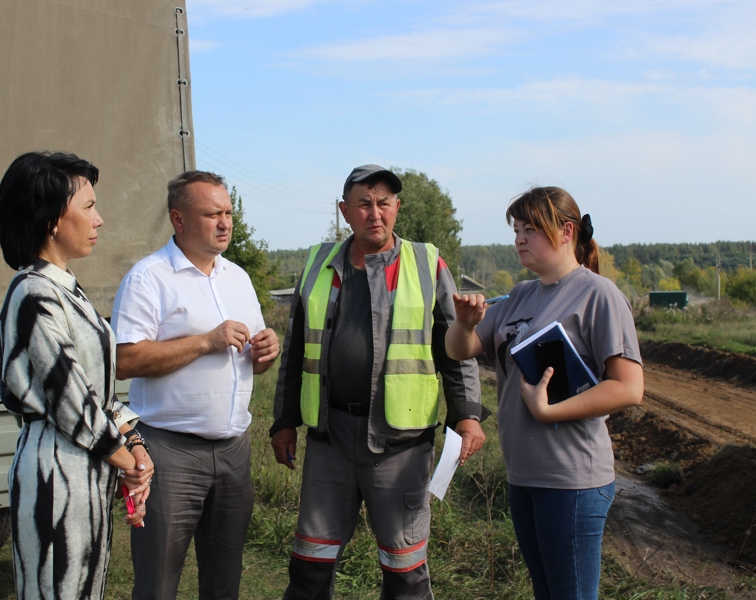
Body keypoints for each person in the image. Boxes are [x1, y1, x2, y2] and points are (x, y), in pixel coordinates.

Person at [270, 164, 489, 600]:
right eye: (364, 204)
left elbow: (455, 347)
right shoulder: (317, 263)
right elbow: (296, 349)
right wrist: (283, 421)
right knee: (310, 564)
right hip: (330, 438)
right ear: (344, 211)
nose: (376, 213)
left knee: (404, 569)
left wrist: (467, 415)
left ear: (397, 208)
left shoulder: (426, 263)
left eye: (384, 203)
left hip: (400, 446)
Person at [445, 186, 645, 600]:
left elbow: (629, 388)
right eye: (516, 229)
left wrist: (549, 411)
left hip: (573, 479)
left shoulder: (598, 295)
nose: (519, 238)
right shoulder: (519, 295)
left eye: (531, 229)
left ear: (567, 231)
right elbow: (459, 350)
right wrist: (464, 323)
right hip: (524, 476)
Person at [110, 170, 280, 600]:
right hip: (168, 450)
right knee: (158, 581)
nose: (224, 223)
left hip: (233, 451)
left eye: (228, 212)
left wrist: (265, 352)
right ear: (178, 219)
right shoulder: (148, 277)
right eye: (211, 214)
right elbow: (125, 360)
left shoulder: (237, 279)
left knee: (225, 581)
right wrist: (206, 341)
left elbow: (250, 362)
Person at [0, 151, 155, 600]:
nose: (99, 220)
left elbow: (99, 392)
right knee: (58, 589)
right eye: (88, 207)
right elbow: (71, 400)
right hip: (56, 471)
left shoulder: (67, 289)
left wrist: (136, 448)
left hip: (88, 467)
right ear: (50, 220)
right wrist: (130, 464)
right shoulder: (33, 292)